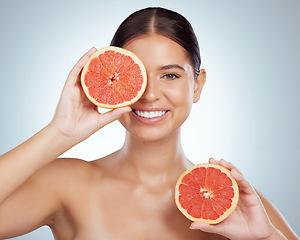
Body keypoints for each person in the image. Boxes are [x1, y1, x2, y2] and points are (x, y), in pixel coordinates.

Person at [0, 7, 298, 240]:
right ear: (110, 80)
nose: (150, 94)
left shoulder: (230, 201)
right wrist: (59, 133)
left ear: (197, 85)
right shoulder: (67, 184)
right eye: (135, 75)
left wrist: (267, 238)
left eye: (170, 75)